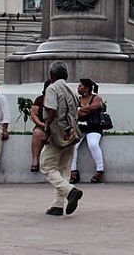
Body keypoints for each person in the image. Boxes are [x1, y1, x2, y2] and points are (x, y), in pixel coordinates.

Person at [41, 61, 84, 216]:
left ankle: (70, 191)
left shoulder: (52, 88)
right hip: (71, 132)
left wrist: (46, 131)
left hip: (57, 133)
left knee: (46, 166)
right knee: (63, 169)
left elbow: (51, 111)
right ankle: (58, 204)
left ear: (51, 75)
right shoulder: (71, 90)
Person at [70, 78, 106, 184]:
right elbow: (74, 112)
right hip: (80, 127)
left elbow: (97, 106)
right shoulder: (78, 99)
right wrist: (85, 110)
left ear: (86, 88)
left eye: (80, 86)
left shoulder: (96, 98)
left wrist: (81, 110)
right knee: (73, 146)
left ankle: (100, 169)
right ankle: (73, 171)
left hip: (94, 127)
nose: (78, 88)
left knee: (93, 144)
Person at [30, 80, 50, 172]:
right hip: (42, 126)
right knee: (37, 133)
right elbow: (34, 114)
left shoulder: (60, 99)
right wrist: (40, 123)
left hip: (56, 126)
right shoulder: (40, 99)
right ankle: (35, 160)